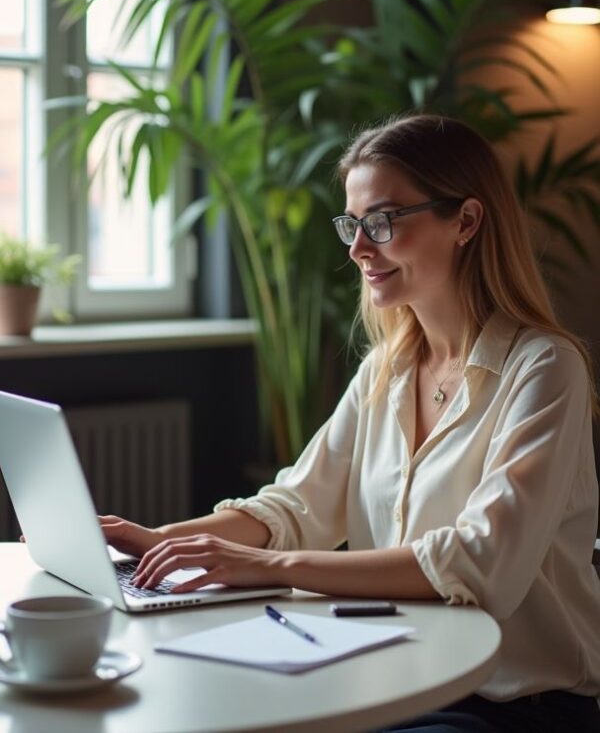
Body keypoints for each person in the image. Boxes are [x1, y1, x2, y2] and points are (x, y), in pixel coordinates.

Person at [101, 115, 600, 732]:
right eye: (353, 224)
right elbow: (296, 507)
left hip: (512, 705)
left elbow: (483, 564)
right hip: (396, 676)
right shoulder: (386, 370)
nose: (359, 248)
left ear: (466, 222)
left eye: (383, 222)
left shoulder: (545, 369)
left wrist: (269, 567)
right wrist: (160, 541)